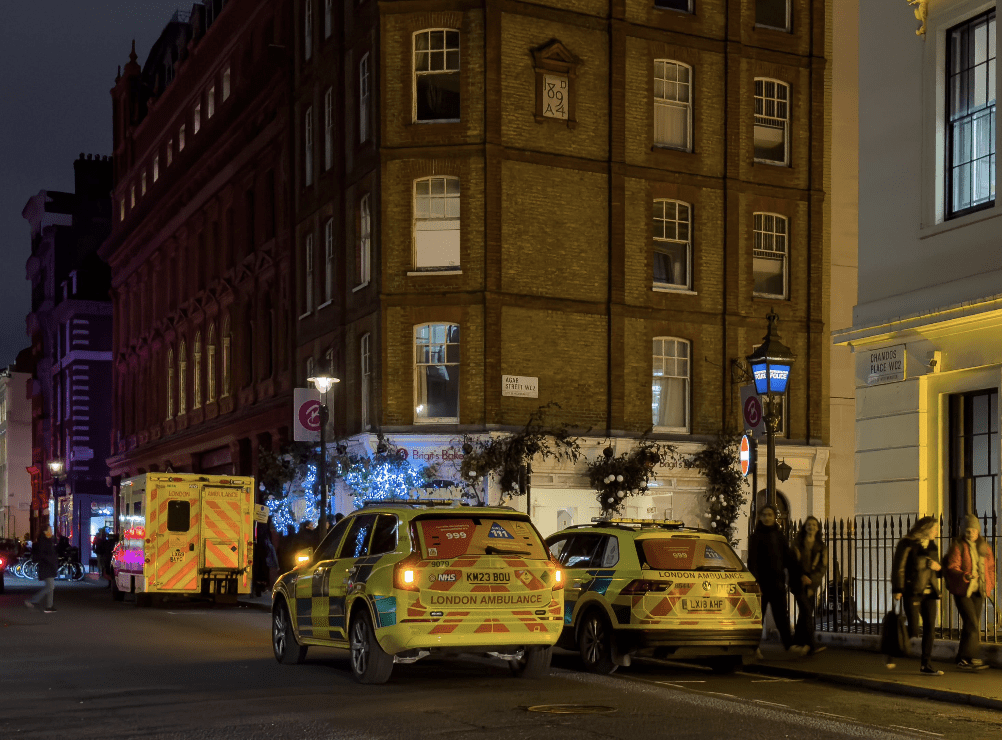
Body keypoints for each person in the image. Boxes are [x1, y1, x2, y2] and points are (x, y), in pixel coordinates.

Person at [748, 505, 807, 656]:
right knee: (757, 618)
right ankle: (754, 647)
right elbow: (753, 561)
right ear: (760, 518)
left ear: (774, 517)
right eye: (764, 515)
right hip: (761, 584)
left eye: (770, 515)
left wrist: (799, 572)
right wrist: (755, 582)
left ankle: (789, 645)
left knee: (781, 616)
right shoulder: (756, 537)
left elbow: (788, 558)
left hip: (777, 583)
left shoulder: (780, 536)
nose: (767, 517)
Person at [890, 516, 943, 675]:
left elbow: (938, 570)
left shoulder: (933, 546)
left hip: (930, 592)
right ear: (925, 529)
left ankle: (926, 664)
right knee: (913, 629)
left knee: (929, 628)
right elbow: (898, 567)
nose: (937, 532)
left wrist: (938, 567)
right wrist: (898, 589)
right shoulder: (906, 543)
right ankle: (894, 645)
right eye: (934, 529)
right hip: (912, 591)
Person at [945, 515, 995, 671]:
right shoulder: (958, 546)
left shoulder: (984, 547)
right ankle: (970, 657)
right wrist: (965, 575)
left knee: (970, 624)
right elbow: (952, 566)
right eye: (968, 530)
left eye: (973, 530)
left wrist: (990, 584)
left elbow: (991, 567)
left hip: (979, 590)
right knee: (972, 623)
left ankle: (961, 657)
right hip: (963, 590)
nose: (971, 533)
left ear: (978, 530)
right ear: (963, 531)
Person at [791, 516, 828, 655]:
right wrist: (801, 576)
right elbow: (792, 562)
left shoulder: (821, 547)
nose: (811, 527)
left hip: (812, 585)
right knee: (806, 611)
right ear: (805, 527)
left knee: (805, 613)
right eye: (809, 524)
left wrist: (811, 581)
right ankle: (811, 644)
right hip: (798, 582)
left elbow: (822, 567)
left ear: (817, 528)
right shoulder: (797, 543)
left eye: (814, 524)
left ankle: (797, 641)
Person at [25, 526, 59, 613]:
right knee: (50, 586)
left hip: (49, 566)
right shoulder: (43, 542)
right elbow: (41, 555)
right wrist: (50, 559)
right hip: (46, 566)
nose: (51, 531)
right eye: (49, 530)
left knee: (50, 587)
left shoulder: (49, 541)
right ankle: (33, 601)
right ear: (45, 532)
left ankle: (49, 606)